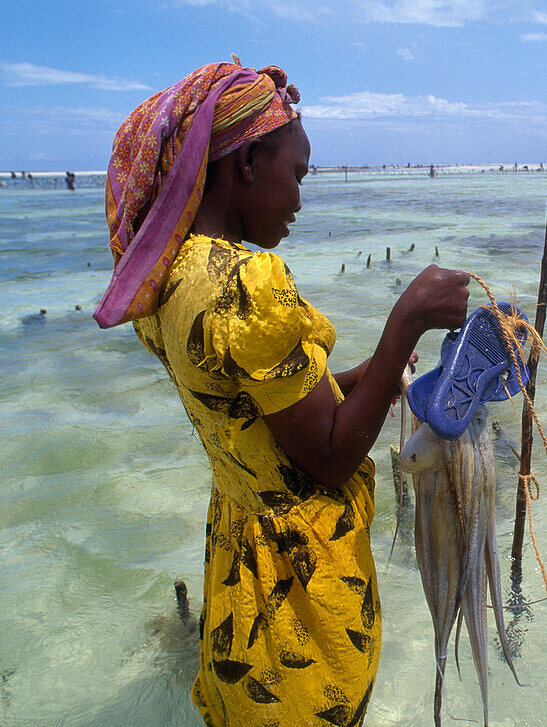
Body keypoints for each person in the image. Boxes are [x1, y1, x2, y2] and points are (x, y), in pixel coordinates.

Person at [92, 60, 469, 726]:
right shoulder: (247, 283)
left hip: (239, 564)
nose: (300, 198)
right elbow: (326, 456)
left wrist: (381, 370)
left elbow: (269, 406)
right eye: (296, 173)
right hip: (295, 596)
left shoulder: (172, 280)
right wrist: (404, 318)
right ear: (247, 163)